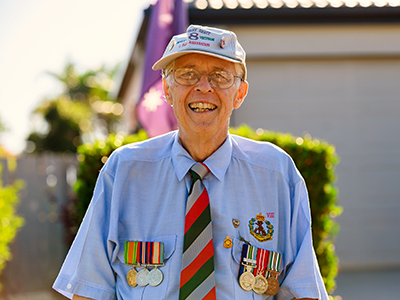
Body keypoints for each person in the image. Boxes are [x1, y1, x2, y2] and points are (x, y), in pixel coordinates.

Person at [53, 25, 329, 300]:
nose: (204, 86)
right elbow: (90, 290)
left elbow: (302, 292)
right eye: (187, 74)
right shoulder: (124, 171)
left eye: (220, 76)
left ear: (240, 93)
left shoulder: (277, 174)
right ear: (167, 89)